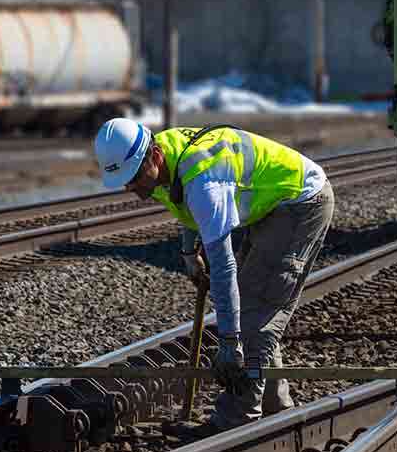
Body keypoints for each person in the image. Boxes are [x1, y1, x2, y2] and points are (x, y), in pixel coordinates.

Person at [94, 118, 334, 431]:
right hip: (271, 206)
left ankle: (236, 419)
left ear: (154, 156)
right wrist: (188, 251)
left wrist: (229, 342)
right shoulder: (167, 155)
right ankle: (277, 410)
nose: (132, 187)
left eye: (135, 178)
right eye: (125, 182)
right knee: (253, 306)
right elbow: (184, 202)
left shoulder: (205, 181)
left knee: (254, 316)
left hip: (301, 203)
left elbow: (224, 267)